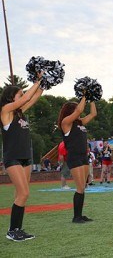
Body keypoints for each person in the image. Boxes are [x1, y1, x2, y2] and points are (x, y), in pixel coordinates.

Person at [0, 78, 43, 241]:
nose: (23, 95)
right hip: (13, 158)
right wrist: (38, 80)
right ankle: (12, 231)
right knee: (23, 193)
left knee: (22, 194)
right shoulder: (6, 110)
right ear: (12, 97)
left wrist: (44, 83)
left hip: (26, 158)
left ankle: (17, 229)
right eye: (20, 93)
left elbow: (34, 97)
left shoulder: (20, 113)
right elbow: (27, 98)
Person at [57, 96, 97, 223]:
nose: (79, 111)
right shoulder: (66, 122)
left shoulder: (80, 123)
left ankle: (80, 214)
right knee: (79, 187)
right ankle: (76, 217)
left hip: (83, 156)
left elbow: (93, 113)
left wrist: (92, 98)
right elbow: (79, 110)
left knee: (83, 187)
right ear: (71, 111)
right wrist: (84, 95)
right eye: (75, 109)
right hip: (74, 157)